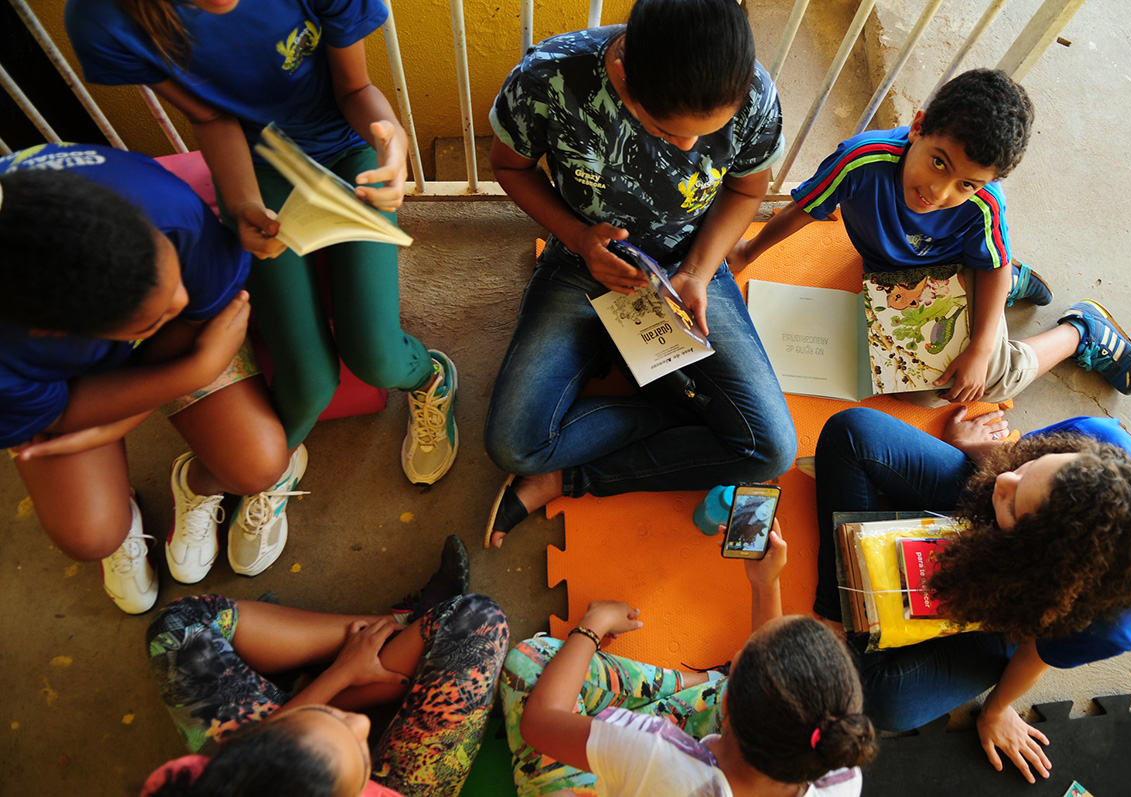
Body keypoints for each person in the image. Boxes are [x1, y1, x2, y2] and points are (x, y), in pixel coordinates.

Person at [65, 0, 459, 486]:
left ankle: (431, 376)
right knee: (307, 382)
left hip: (347, 151)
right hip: (257, 167)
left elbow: (355, 87)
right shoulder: (106, 20)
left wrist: (392, 142)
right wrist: (243, 205)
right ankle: (246, 474)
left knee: (376, 357)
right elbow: (211, 119)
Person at [482, 0, 797, 548]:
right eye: (667, 131)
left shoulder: (754, 93)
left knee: (774, 450)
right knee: (514, 447)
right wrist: (579, 238)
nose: (691, 148)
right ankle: (677, 402)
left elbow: (748, 187)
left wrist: (699, 271)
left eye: (709, 132)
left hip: (688, 264)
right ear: (624, 74)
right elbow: (509, 167)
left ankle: (574, 476)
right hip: (583, 261)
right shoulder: (547, 78)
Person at [0, 144, 305, 613]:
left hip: (164, 345)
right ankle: (117, 506)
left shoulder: (161, 204)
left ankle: (199, 482)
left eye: (173, 274)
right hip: (64, 373)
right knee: (91, 533)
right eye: (150, 316)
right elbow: (56, 411)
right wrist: (196, 370)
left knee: (258, 466)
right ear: (54, 331)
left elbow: (205, 312)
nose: (182, 299)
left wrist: (122, 416)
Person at [811, 406, 1131, 783]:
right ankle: (837, 606)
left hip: (1010, 612)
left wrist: (996, 710)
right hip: (986, 516)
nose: (1005, 479)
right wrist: (973, 451)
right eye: (1029, 469)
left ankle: (845, 608)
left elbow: (1035, 653)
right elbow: (1007, 473)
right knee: (853, 432)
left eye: (1014, 502)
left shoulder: (1108, 624)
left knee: (884, 703)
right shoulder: (1093, 438)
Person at [730, 68, 1131, 403]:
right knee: (914, 388)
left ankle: (1081, 332)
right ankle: (1002, 280)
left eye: (967, 184)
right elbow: (806, 207)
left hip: (952, 268)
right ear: (918, 127)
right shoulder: (859, 159)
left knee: (975, 383)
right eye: (940, 163)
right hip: (896, 276)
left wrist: (981, 351)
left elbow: (993, 266)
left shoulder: (987, 204)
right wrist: (747, 250)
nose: (939, 192)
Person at [501, 523, 877, 796]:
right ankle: (698, 684)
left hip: (645, 773)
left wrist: (592, 626)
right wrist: (766, 584)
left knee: (531, 662)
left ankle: (695, 682)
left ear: (728, 700)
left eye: (741, 658)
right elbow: (772, 684)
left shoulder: (654, 756)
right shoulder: (836, 767)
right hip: (717, 755)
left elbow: (541, 725)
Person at [139, 535, 508, 797]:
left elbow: (261, 746)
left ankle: (389, 633)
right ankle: (398, 632)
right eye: (358, 745)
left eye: (341, 720)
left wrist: (342, 673)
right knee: (476, 622)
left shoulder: (187, 785)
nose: (363, 723)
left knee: (177, 628)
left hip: (254, 754)